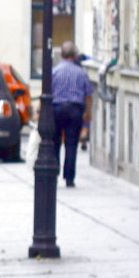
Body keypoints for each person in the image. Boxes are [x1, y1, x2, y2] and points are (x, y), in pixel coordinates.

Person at [50, 41, 93, 187]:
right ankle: (69, 178)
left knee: (54, 143)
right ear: (74, 55)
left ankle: (53, 173)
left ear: (61, 55)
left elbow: (48, 92)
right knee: (71, 144)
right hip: (75, 110)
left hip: (56, 109)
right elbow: (88, 94)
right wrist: (87, 112)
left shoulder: (55, 72)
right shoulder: (81, 73)